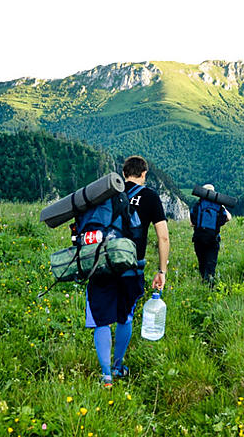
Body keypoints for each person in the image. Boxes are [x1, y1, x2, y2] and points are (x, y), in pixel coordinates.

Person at [85, 155, 169, 387]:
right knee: (126, 316)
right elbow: (163, 236)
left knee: (101, 320)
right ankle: (118, 366)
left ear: (124, 174)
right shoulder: (150, 197)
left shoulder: (106, 193)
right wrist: (161, 270)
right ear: (143, 174)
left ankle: (106, 376)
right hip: (131, 268)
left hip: (100, 265)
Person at [190, 184, 231, 285]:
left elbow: (192, 222)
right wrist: (222, 207)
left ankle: (203, 282)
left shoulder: (198, 205)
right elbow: (228, 218)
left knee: (202, 263)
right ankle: (210, 284)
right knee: (211, 264)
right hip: (213, 239)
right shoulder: (218, 207)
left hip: (199, 239)